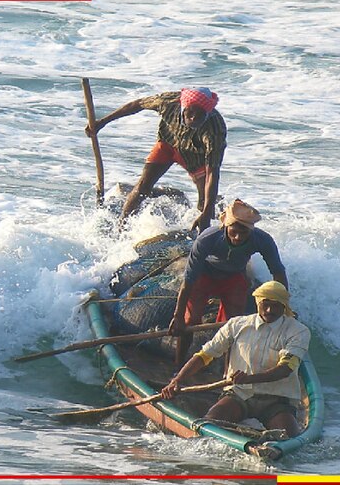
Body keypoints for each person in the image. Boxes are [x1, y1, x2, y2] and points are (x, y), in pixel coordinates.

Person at [161, 281, 310, 438]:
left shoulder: (298, 331)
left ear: (284, 306)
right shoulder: (237, 325)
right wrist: (177, 380)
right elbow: (205, 355)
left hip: (277, 400)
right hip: (240, 395)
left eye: (275, 306)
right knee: (208, 427)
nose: (269, 310)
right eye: (265, 304)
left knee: (289, 439)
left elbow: (285, 369)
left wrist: (249, 378)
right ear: (258, 302)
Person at [168, 199, 288, 365]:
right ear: (226, 227)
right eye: (233, 232)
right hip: (205, 274)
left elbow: (278, 272)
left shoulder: (262, 240)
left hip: (234, 276)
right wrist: (178, 316)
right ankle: (178, 364)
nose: (238, 237)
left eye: (244, 233)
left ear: (251, 231)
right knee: (190, 321)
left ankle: (226, 371)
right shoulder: (208, 238)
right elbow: (188, 280)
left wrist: (284, 306)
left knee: (231, 325)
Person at [88, 87, 226, 231]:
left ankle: (203, 234)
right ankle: (121, 228)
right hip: (167, 145)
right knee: (142, 187)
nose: (193, 118)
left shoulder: (215, 129)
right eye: (190, 112)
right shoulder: (168, 102)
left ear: (208, 114)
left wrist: (206, 212)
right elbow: (136, 105)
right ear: (183, 107)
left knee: (205, 203)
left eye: (200, 115)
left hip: (196, 156)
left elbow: (212, 173)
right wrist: (102, 122)